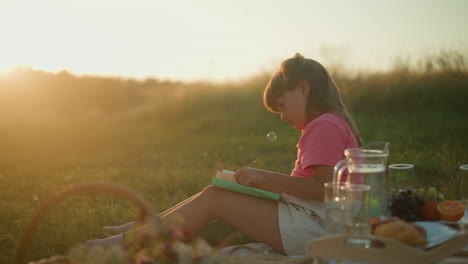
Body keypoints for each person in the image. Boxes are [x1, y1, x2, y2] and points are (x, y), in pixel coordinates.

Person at [87, 53, 361, 256]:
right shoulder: (330, 123)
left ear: (303, 89)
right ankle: (147, 226)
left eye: (282, 105)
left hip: (319, 228)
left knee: (216, 198)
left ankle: (132, 244)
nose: (283, 117)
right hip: (320, 222)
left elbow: (325, 188)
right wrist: (264, 186)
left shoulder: (322, 126)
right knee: (216, 191)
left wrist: (265, 177)